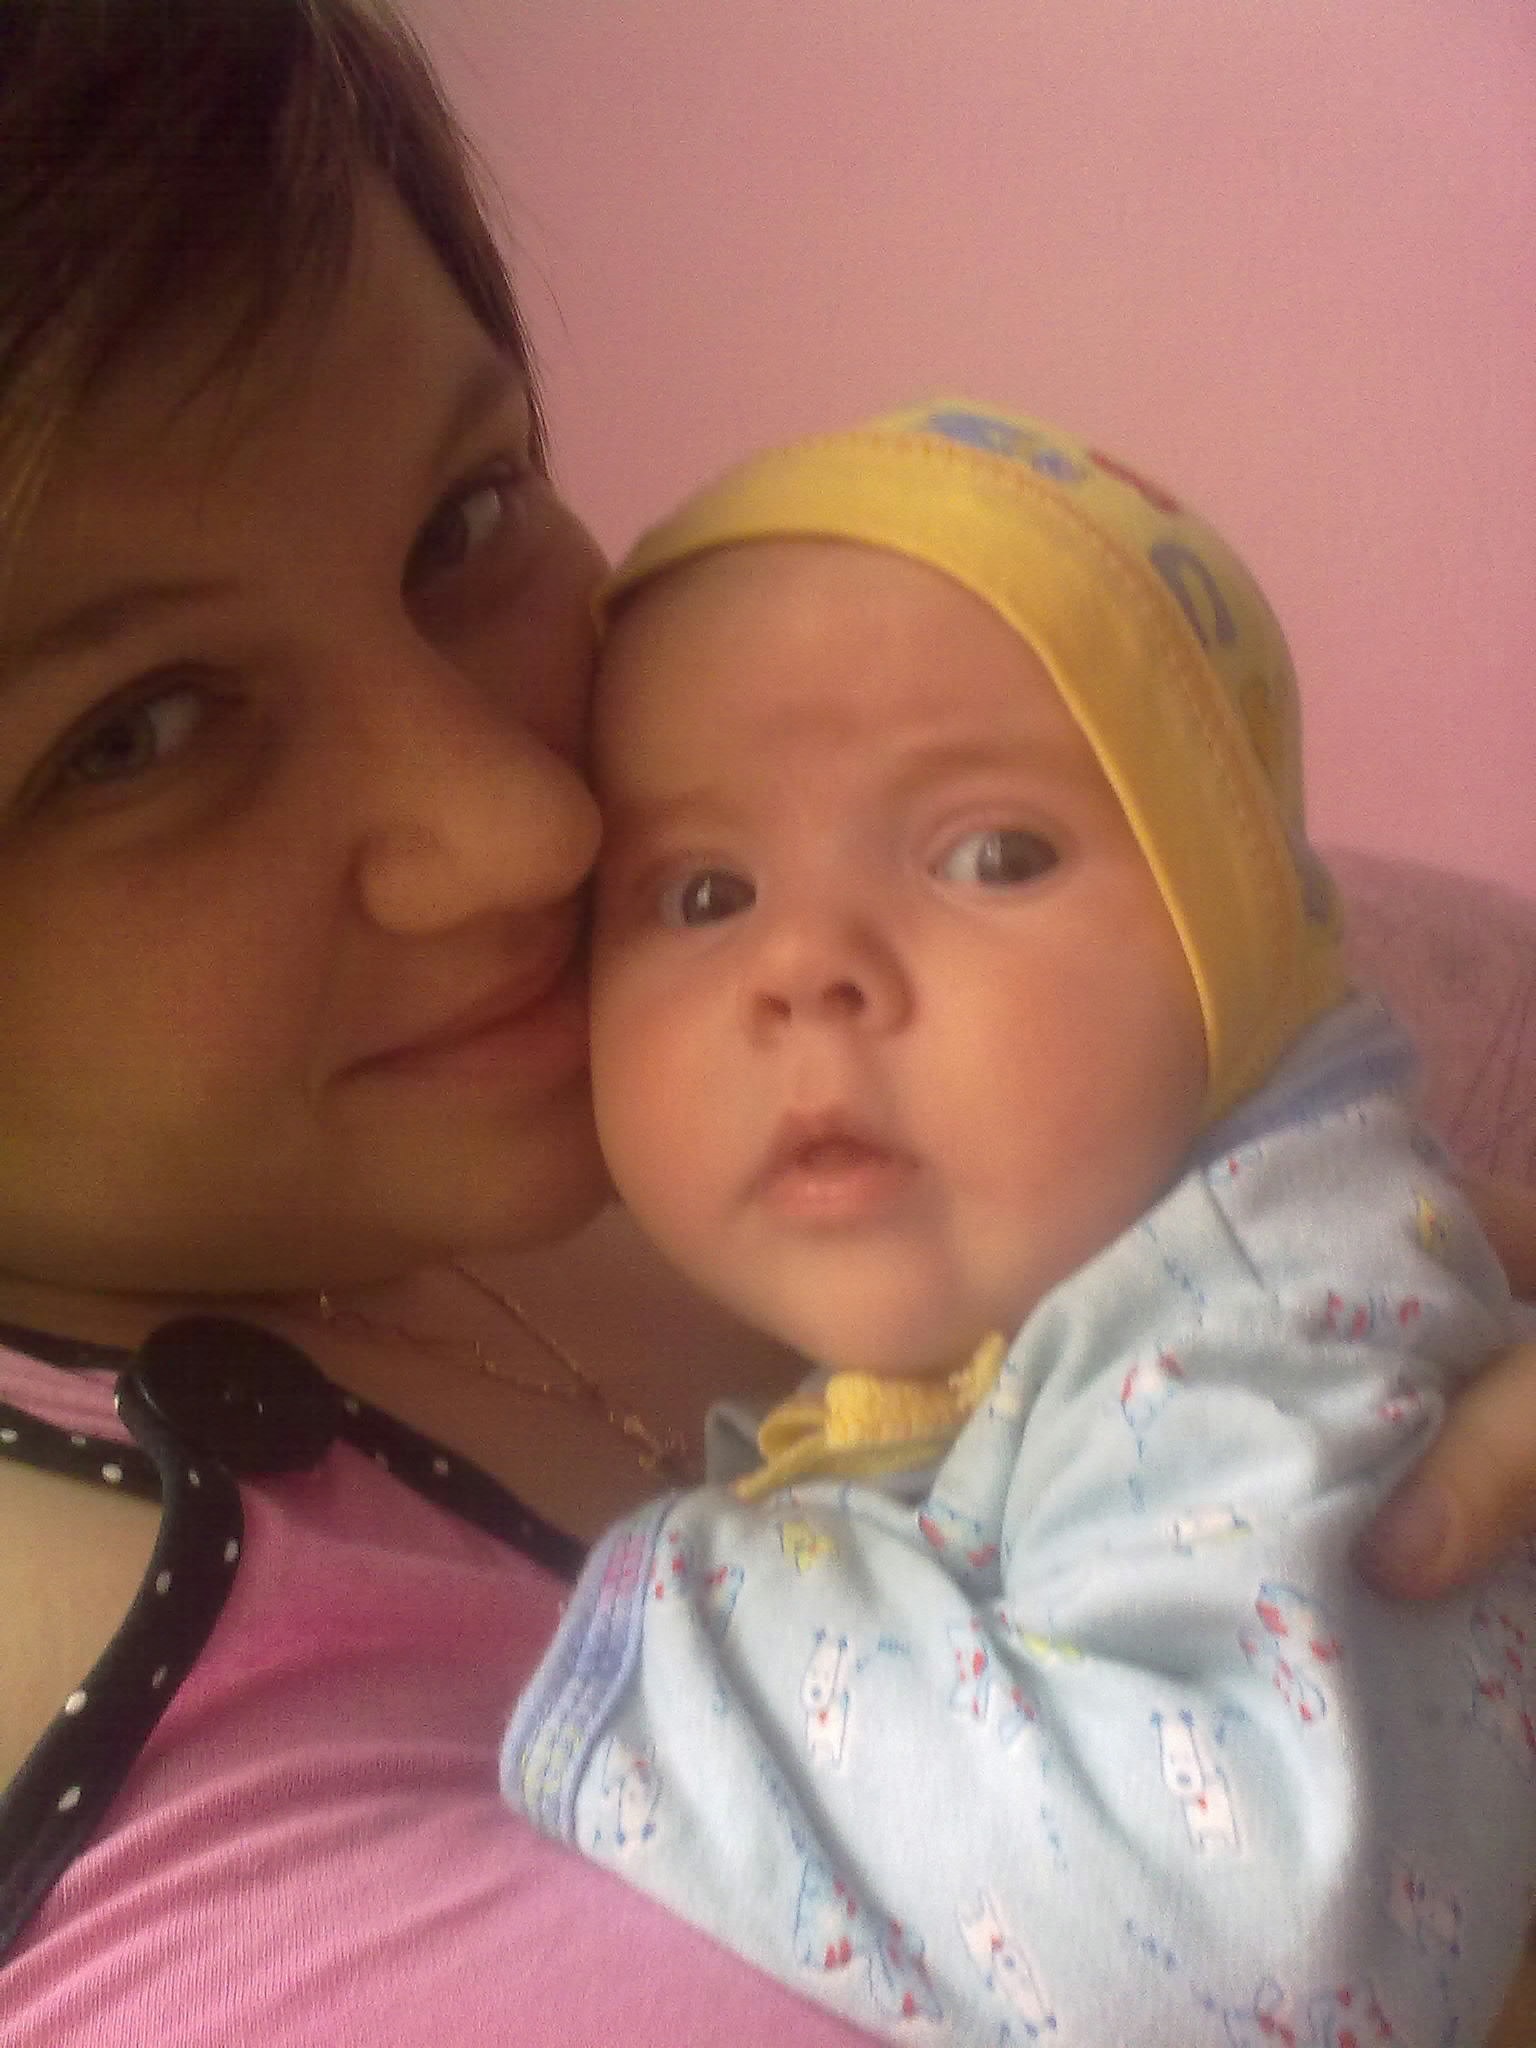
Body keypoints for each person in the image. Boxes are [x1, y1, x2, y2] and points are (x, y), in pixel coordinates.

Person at [0, 3, 1532, 2043]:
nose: (535, 829)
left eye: (465, 520)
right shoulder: (189, 1849)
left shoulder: (724, 1084)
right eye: (137, 734)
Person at [501, 401, 1536, 2045]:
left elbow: (1256, 1959)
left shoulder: (1258, 1324)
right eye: (704, 894)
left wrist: (696, 1626)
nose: (807, 967)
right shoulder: (1060, 1282)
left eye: (992, 854)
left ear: (1239, 932)